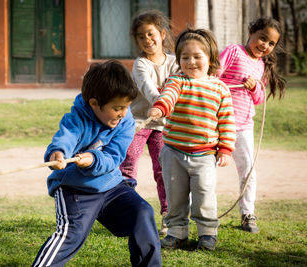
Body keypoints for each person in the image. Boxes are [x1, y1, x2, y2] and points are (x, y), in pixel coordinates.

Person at [32, 60, 161, 267]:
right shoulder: (77, 119)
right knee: (71, 234)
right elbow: (65, 138)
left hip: (111, 185)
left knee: (142, 212)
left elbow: (114, 157)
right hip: (75, 189)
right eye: (117, 108)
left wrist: (93, 159)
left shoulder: (125, 121)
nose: (122, 113)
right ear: (94, 104)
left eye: (126, 107)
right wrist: (57, 154)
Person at [148, 28, 236, 250]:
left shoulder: (220, 88)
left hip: (204, 154)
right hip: (173, 152)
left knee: (204, 194)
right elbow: (168, 95)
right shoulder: (177, 80)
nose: (191, 61)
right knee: (175, 196)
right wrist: (160, 108)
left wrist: (225, 149)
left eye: (197, 56)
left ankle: (207, 233)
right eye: (185, 57)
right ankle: (177, 233)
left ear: (210, 58)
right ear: (179, 60)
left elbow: (226, 121)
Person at [219, 17, 286, 233]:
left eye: (271, 43)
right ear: (251, 32)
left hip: (243, 125)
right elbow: (214, 75)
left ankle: (247, 214)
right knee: (204, 168)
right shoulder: (234, 51)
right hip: (218, 122)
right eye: (262, 38)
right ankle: (201, 212)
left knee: (248, 170)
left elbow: (258, 98)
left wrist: (253, 88)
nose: (265, 45)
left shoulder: (262, 66)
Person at [120, 10, 177, 236]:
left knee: (164, 170)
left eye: (151, 34)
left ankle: (168, 216)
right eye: (141, 36)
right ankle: (125, 213)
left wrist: (167, 105)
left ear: (162, 34)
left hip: (164, 126)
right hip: (139, 123)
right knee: (128, 162)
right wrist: (163, 102)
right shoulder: (140, 64)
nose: (147, 40)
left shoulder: (174, 62)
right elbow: (148, 89)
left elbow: (178, 86)